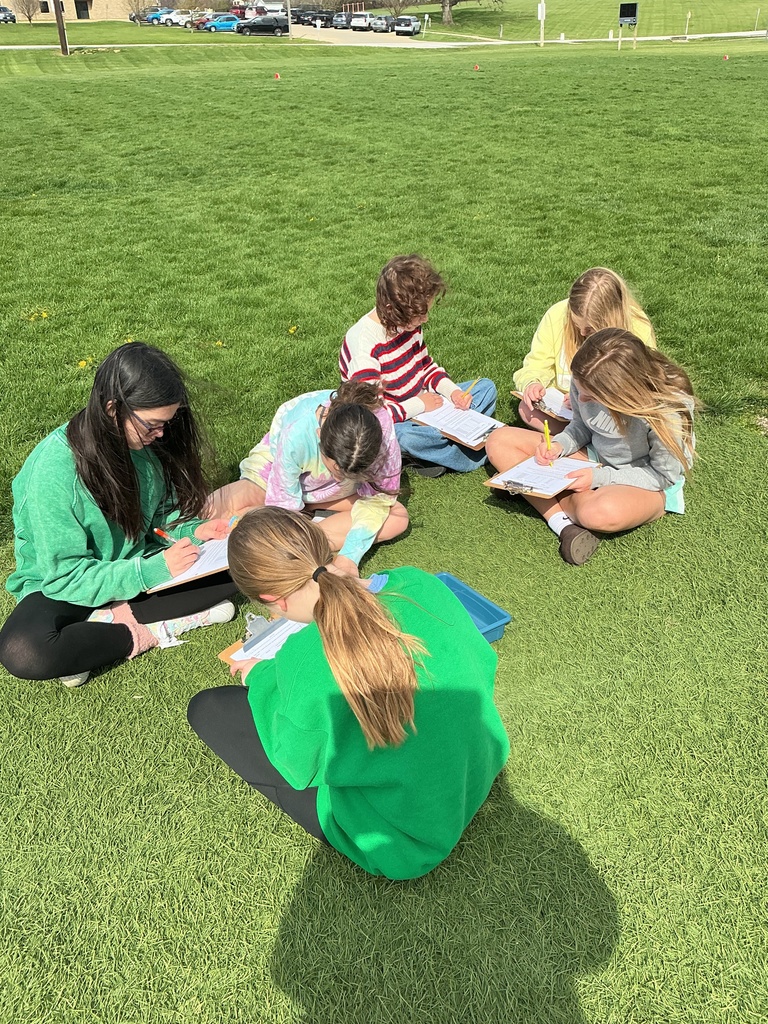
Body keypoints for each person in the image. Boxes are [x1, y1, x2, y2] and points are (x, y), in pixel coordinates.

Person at [187, 507, 510, 880]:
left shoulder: (301, 659)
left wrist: (260, 678)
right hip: (479, 770)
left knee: (209, 708)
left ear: (272, 599)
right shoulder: (417, 582)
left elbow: (296, 765)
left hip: (404, 842)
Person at [0, 343, 238, 687]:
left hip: (136, 567)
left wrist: (195, 532)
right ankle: (151, 628)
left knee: (239, 567)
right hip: (64, 587)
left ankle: (99, 631)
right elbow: (64, 577)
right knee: (24, 649)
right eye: (153, 425)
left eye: (166, 424)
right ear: (113, 409)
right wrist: (155, 570)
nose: (161, 434)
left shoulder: (144, 448)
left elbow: (160, 517)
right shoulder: (54, 473)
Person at [487, 329, 696, 566]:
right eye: (579, 390)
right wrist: (559, 445)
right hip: (595, 458)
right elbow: (582, 426)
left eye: (590, 397)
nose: (580, 399)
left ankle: (529, 489)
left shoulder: (665, 412)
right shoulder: (585, 379)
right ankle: (562, 525)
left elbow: (663, 476)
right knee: (498, 440)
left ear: (622, 394)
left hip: (647, 482)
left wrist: (598, 478)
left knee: (598, 513)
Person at [206, 381, 408, 575]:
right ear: (320, 436)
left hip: (338, 495)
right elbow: (282, 504)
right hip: (275, 471)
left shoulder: (381, 432)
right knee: (212, 509)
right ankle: (307, 529)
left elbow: (378, 500)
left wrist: (349, 558)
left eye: (350, 473)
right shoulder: (297, 433)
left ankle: (308, 532)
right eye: (336, 469)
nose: (339, 477)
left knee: (396, 518)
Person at [339, 254, 497, 477]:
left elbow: (426, 367)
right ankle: (476, 452)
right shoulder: (364, 343)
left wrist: (453, 392)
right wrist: (419, 405)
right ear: (391, 309)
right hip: (399, 417)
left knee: (486, 388)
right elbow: (372, 414)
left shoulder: (408, 325)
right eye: (420, 314)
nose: (425, 320)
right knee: (403, 437)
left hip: (427, 407)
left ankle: (437, 449)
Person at [513, 267, 656, 433]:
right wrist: (533, 383)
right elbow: (535, 364)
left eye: (590, 329)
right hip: (564, 410)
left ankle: (579, 445)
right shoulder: (557, 314)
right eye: (576, 325)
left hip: (609, 414)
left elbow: (643, 387)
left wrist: (588, 399)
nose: (581, 333)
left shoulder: (638, 326)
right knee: (527, 409)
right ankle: (581, 444)